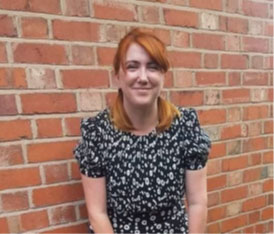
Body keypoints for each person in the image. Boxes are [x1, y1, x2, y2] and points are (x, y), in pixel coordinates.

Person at [74, 28, 211, 234]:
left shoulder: (185, 126)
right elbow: (97, 212)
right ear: (117, 77)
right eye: (132, 67)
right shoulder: (98, 133)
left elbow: (197, 202)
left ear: (163, 75)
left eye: (153, 67)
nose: (143, 77)